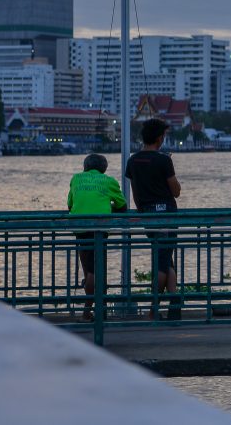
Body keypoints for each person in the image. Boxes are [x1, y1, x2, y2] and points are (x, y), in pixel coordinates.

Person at [125, 118, 183, 320]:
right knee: (162, 261)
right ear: (160, 138)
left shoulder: (132, 161)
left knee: (166, 259)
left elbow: (135, 192)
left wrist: (142, 211)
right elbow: (175, 191)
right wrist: (166, 165)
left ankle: (175, 304)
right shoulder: (163, 160)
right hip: (166, 214)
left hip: (147, 214)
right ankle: (154, 309)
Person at [67, 153, 127, 322]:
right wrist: (107, 205)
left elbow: (70, 204)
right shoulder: (109, 181)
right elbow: (122, 207)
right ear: (104, 168)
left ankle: (90, 311)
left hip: (80, 228)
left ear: (85, 167)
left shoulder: (76, 179)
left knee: (89, 269)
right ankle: (91, 311)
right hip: (99, 230)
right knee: (95, 271)